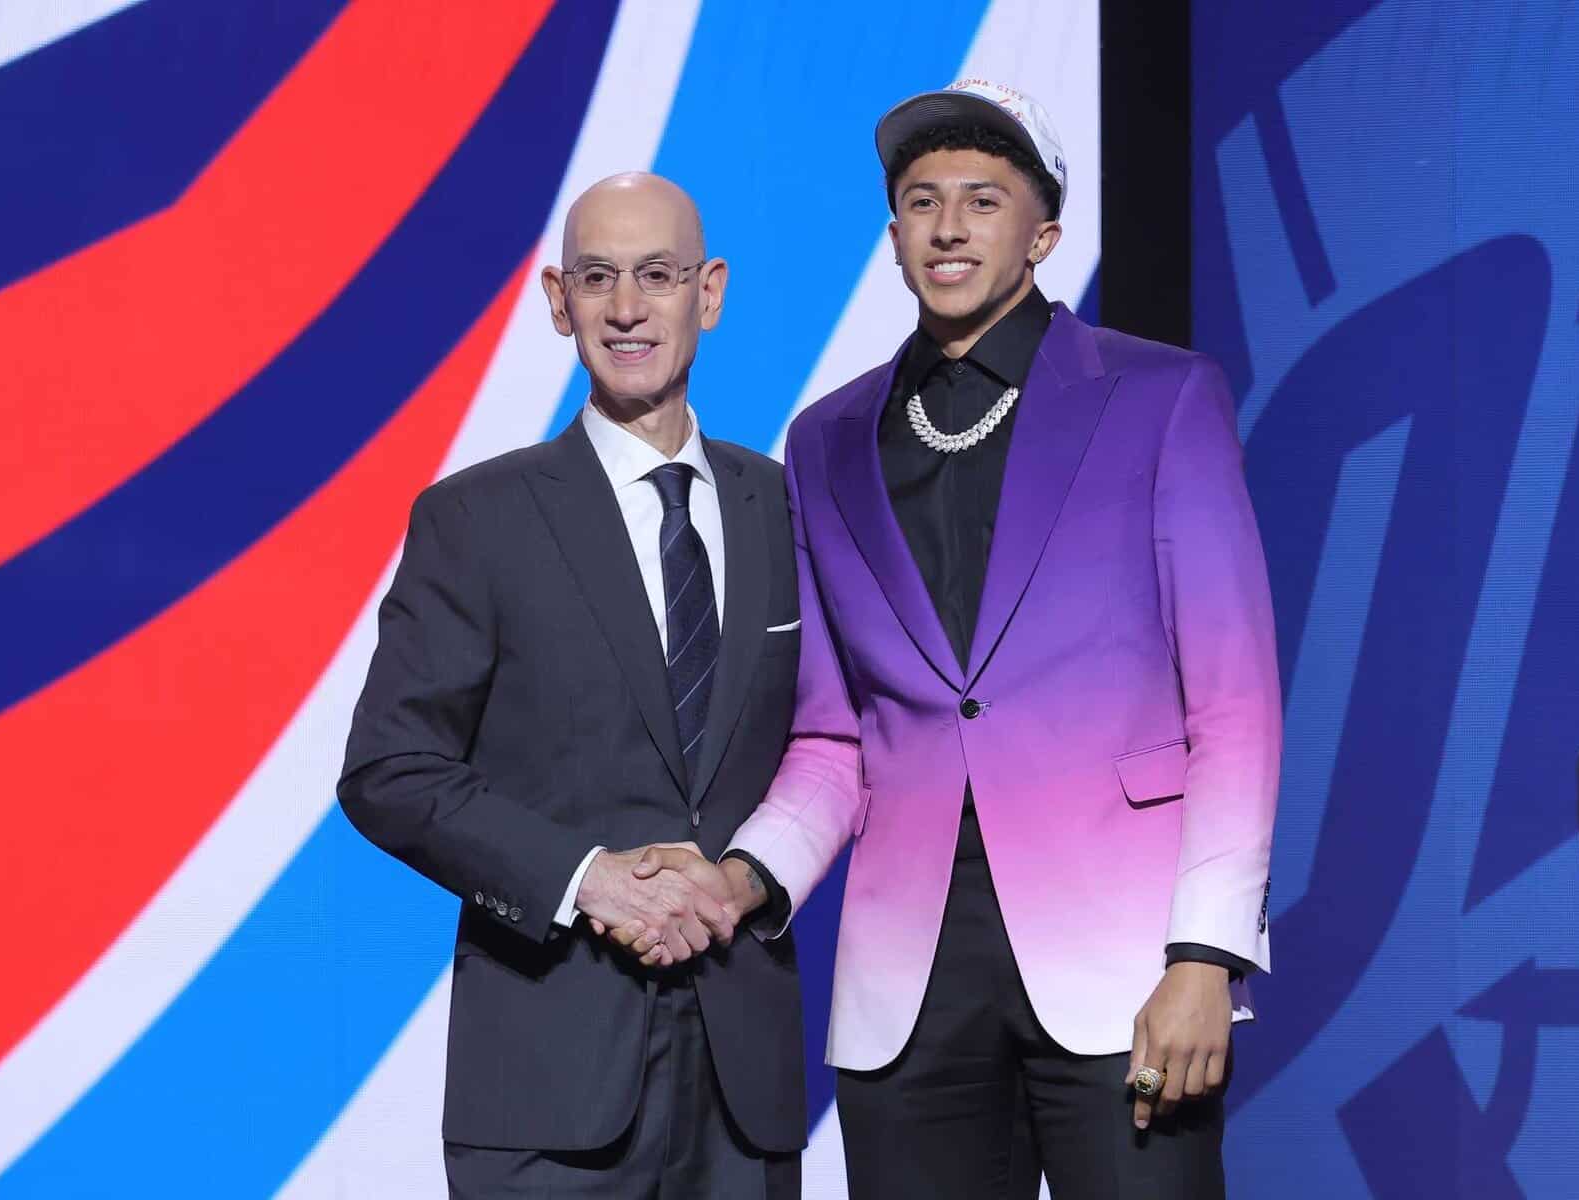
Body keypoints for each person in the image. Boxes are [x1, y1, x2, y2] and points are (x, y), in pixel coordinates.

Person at [626, 80, 1281, 1197]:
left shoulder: (1161, 396)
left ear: (1044, 234)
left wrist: (1207, 957)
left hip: (1126, 966)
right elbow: (833, 738)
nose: (948, 226)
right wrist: (742, 879)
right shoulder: (827, 438)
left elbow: (1235, 704)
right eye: (923, 202)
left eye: (984, 199)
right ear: (893, 239)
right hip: (910, 985)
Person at [338, 172, 804, 1199]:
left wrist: (745, 880)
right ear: (559, 301)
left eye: (657, 275)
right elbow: (388, 770)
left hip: (745, 1083)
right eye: (598, 278)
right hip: (548, 1080)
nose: (627, 308)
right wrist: (584, 877)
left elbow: (835, 747)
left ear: (709, 293)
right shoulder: (477, 519)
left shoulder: (787, 509)